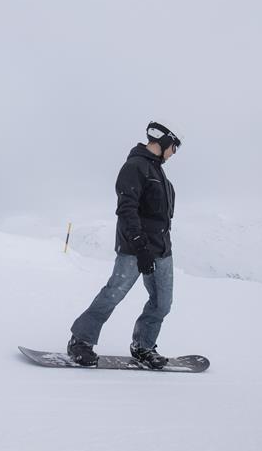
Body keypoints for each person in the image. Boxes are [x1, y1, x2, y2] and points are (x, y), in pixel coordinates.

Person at [67, 121, 181, 369]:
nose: (174, 153)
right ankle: (80, 341)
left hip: (162, 250)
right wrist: (140, 245)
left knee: (162, 303)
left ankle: (143, 346)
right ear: (161, 144)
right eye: (174, 147)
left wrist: (158, 247)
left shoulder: (160, 174)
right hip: (134, 248)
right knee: (113, 293)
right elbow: (127, 209)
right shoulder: (135, 167)